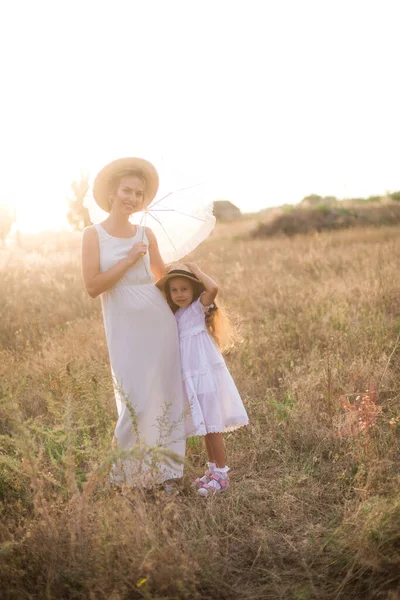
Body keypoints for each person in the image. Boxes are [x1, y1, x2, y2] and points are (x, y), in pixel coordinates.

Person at [81, 157, 186, 487]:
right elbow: (93, 286)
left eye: (139, 194)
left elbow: (162, 276)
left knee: (164, 395)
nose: (133, 198)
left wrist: (191, 277)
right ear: (113, 193)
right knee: (134, 399)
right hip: (123, 325)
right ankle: (123, 475)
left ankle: (167, 472)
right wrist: (128, 259)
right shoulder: (92, 234)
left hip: (159, 323)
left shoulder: (147, 233)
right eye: (127, 190)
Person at [156, 263, 249, 496]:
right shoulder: (173, 315)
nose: (179, 294)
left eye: (184, 289)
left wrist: (196, 270)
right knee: (206, 427)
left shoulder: (198, 308)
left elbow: (213, 288)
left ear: (194, 291)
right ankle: (211, 471)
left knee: (213, 426)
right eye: (174, 290)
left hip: (205, 373)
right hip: (190, 377)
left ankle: (222, 474)